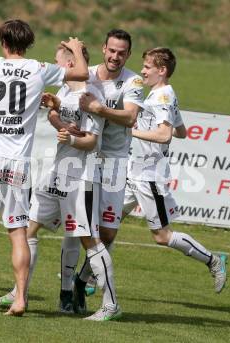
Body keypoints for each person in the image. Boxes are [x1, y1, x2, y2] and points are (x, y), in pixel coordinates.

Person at [0, 19, 88, 316]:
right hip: (17, 161)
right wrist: (77, 49)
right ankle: (20, 299)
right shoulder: (39, 69)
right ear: (29, 44)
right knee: (18, 231)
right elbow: (80, 72)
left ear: (2, 42)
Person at [0, 44, 122, 321]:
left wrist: (71, 137)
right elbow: (62, 120)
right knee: (28, 230)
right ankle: (18, 292)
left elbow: (92, 141)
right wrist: (56, 114)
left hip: (80, 178)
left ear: (71, 65)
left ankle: (111, 305)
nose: (56, 66)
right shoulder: (66, 93)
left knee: (90, 240)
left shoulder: (90, 95)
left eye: (59, 62)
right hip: (57, 173)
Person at [122, 47, 227, 293]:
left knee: (162, 236)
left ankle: (213, 260)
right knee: (108, 225)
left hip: (148, 176)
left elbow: (165, 135)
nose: (143, 71)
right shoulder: (164, 94)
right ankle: (89, 278)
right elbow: (181, 131)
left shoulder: (161, 96)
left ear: (162, 70)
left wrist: (131, 131)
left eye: (147, 67)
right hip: (132, 173)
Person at [62, 29, 144, 309]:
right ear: (103, 49)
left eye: (122, 53)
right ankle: (67, 289)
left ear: (128, 55)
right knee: (82, 228)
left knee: (108, 233)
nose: (115, 57)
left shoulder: (132, 80)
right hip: (86, 158)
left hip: (115, 162)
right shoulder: (89, 76)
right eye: (112, 50)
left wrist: (98, 108)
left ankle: (81, 280)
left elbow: (131, 116)